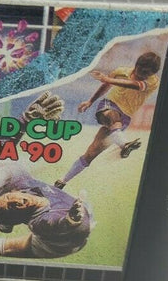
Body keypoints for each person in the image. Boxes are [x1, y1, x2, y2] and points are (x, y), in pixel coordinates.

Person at [55, 51, 161, 189]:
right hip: (109, 105)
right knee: (111, 114)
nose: (142, 73)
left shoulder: (153, 81)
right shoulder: (121, 71)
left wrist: (108, 79)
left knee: (91, 153)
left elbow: (135, 85)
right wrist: (90, 101)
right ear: (137, 64)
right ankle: (123, 144)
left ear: (152, 73)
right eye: (140, 69)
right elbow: (106, 86)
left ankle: (62, 181)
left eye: (146, 73)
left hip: (124, 118)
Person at [0, 168, 92, 258]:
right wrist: (71, 220)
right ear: (21, 217)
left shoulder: (23, 184)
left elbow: (4, 154)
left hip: (65, 219)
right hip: (60, 244)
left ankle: (4, 222)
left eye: (9, 198)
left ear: (12, 191)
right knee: (3, 247)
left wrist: (23, 124)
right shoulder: (41, 222)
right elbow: (57, 224)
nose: (16, 202)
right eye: (13, 208)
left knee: (3, 205)